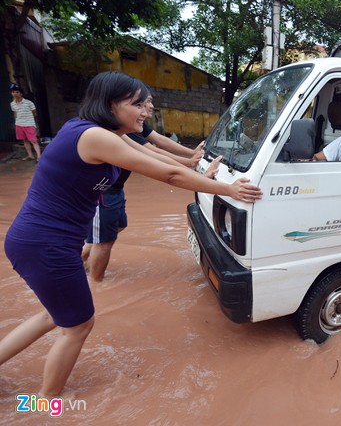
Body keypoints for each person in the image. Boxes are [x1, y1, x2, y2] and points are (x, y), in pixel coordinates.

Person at [0, 71, 262, 397]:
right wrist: (228, 189)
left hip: (41, 241)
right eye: (138, 103)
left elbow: (154, 156)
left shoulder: (106, 133)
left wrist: (197, 168)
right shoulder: (94, 137)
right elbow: (167, 176)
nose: (146, 111)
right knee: (79, 325)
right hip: (46, 244)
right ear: (111, 105)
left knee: (55, 316)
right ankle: (46, 404)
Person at [81, 97, 203, 282]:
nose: (150, 107)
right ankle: (95, 284)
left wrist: (191, 155)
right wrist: (191, 165)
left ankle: (79, 258)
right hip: (105, 191)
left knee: (116, 228)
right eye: (144, 102)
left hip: (115, 189)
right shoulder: (124, 130)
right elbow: (155, 155)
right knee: (103, 242)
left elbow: (159, 141)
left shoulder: (134, 127)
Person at [10, 85, 41, 161]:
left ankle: (39, 156)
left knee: (34, 140)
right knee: (25, 140)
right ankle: (30, 155)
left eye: (17, 92)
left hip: (29, 124)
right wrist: (16, 122)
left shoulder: (29, 103)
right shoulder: (12, 104)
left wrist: (30, 120)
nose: (15, 94)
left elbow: (34, 113)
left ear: (21, 94)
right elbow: (15, 113)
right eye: (13, 92)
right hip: (19, 124)